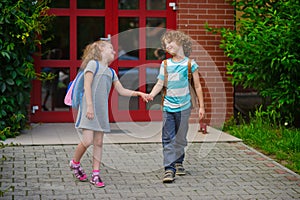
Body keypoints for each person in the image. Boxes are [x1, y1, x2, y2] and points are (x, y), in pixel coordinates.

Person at [69, 40, 148, 188]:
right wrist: (90, 107)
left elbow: (121, 90)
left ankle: (95, 174)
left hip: (102, 112)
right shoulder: (93, 65)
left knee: (98, 142)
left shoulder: (111, 72)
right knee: (87, 141)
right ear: (100, 48)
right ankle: (75, 163)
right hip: (89, 109)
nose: (114, 51)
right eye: (110, 48)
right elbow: (86, 85)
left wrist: (138, 93)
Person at [147, 30, 205, 183]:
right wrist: (152, 94)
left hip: (184, 108)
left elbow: (198, 86)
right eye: (166, 44)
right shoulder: (165, 64)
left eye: (170, 42)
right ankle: (169, 168)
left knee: (180, 137)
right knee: (167, 138)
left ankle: (179, 161)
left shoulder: (190, 64)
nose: (168, 46)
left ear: (180, 43)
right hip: (168, 107)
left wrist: (201, 107)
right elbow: (160, 83)